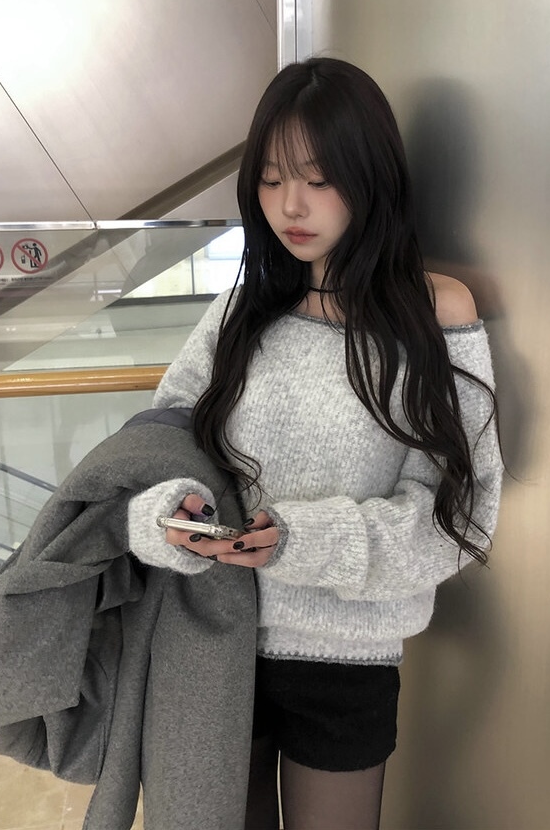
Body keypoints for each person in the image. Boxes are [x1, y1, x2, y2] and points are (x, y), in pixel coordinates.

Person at [128, 57, 503, 830]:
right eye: (269, 180)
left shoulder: (434, 314)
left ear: (369, 176)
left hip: (346, 659)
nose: (289, 205)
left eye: (318, 178)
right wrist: (167, 517)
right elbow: (155, 450)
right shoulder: (241, 312)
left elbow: (460, 512)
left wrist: (304, 541)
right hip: (213, 639)